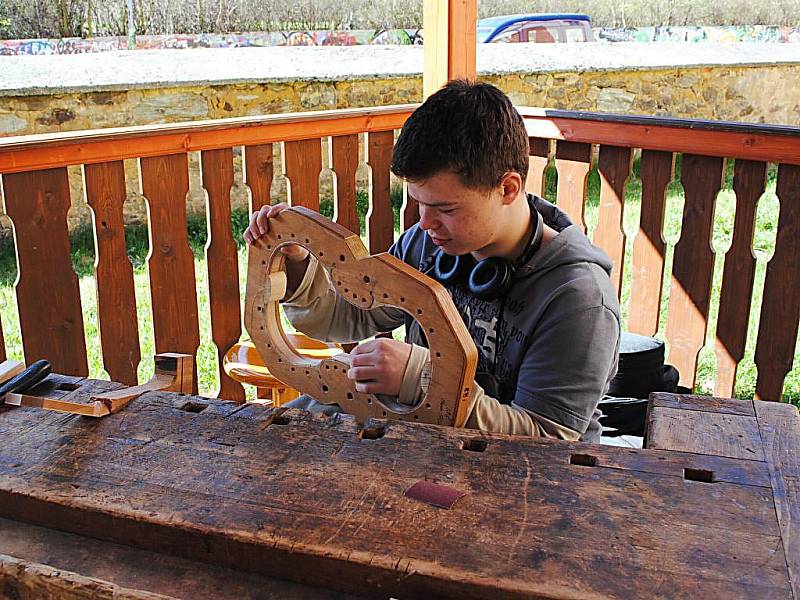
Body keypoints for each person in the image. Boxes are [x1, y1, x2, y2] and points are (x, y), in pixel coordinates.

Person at [244, 80, 620, 443]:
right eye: (419, 203)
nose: (424, 223)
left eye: (445, 208)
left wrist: (421, 378)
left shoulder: (579, 300)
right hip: (425, 445)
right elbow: (354, 315)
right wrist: (296, 268)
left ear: (507, 188)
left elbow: (546, 442)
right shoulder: (427, 245)